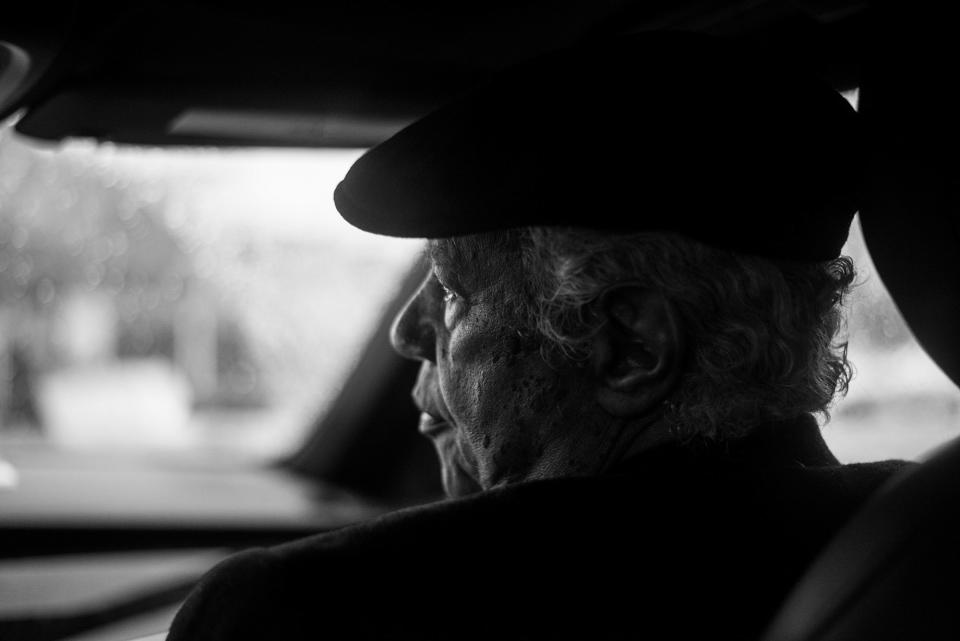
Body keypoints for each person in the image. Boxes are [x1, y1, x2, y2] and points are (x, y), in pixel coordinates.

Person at [167, 32, 909, 640]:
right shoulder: (922, 549)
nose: (404, 331)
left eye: (454, 294)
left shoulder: (304, 612)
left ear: (631, 348)